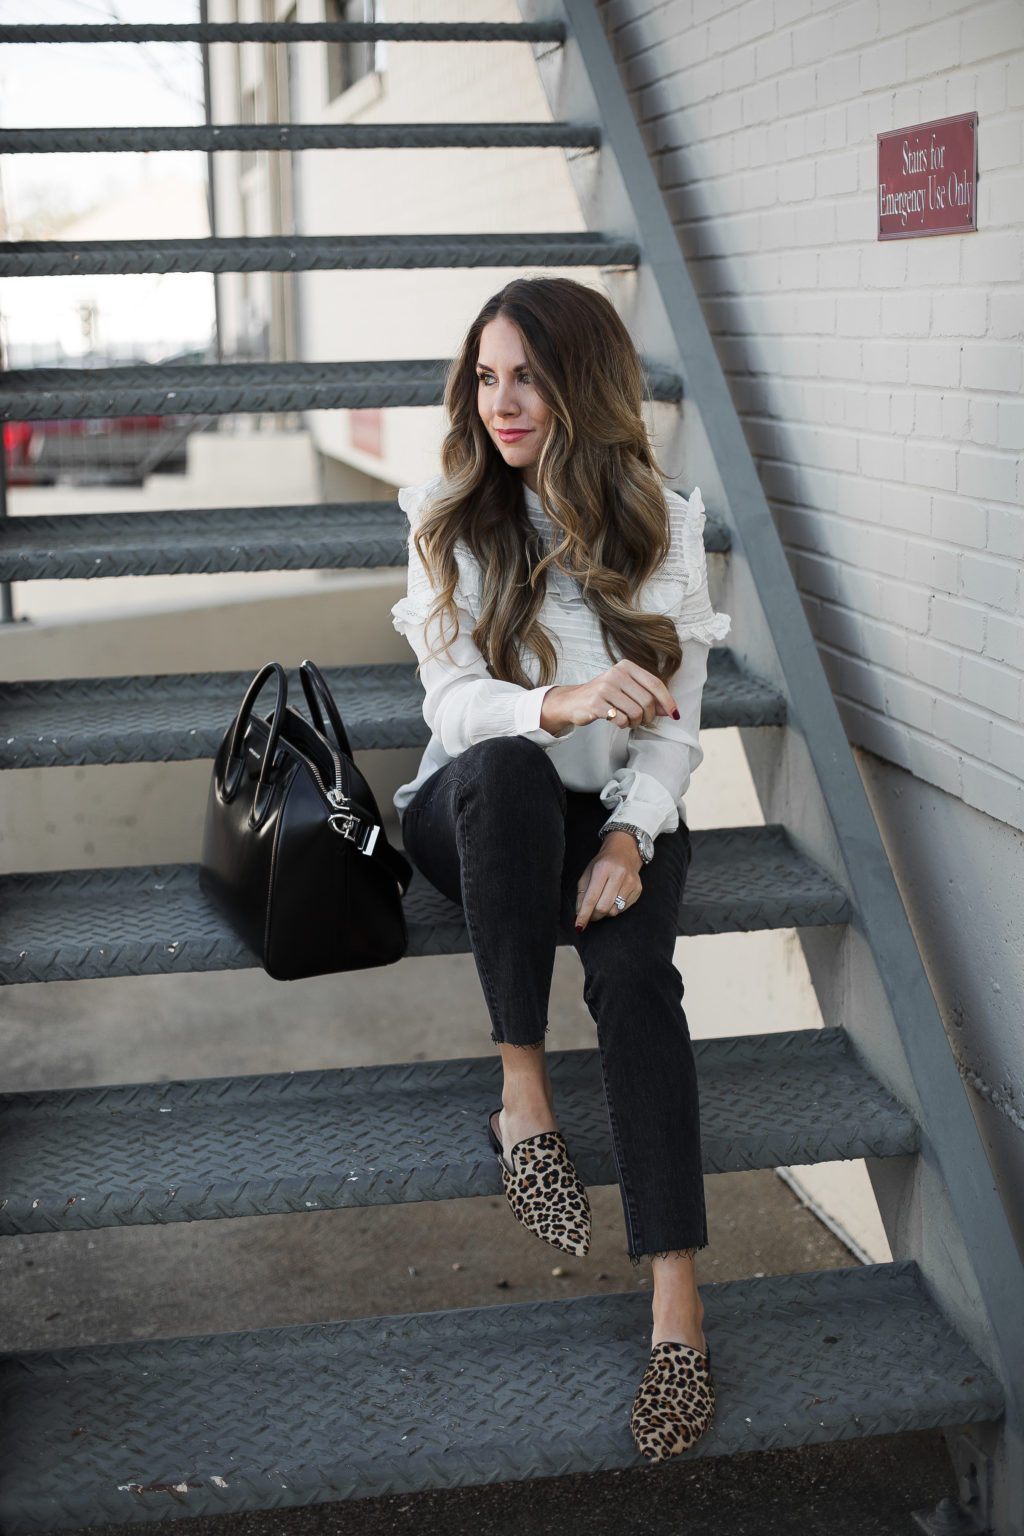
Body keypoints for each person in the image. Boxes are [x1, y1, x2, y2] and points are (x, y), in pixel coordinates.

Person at [391, 277, 729, 1460]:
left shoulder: (664, 522)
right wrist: (564, 698)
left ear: (581, 382)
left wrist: (634, 832)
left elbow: (679, 722)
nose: (501, 403)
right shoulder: (450, 511)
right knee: (511, 772)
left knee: (637, 980)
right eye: (484, 377)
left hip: (610, 818)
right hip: (475, 805)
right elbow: (453, 701)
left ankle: (675, 1313)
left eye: (526, 375)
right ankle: (522, 1093)